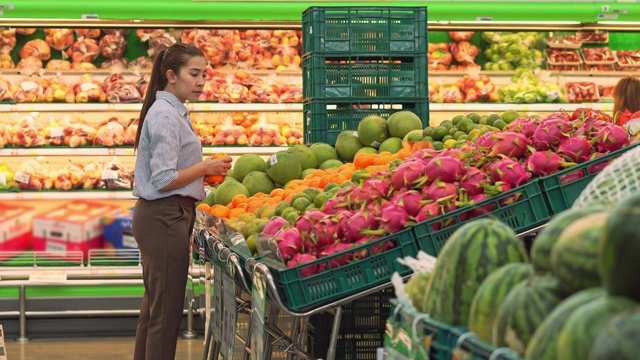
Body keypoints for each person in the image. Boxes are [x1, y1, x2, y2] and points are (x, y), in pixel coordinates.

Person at [131, 43, 232, 360]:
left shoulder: (171, 112)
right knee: (166, 311)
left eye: (204, 74)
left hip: (166, 215)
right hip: (164, 218)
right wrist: (205, 167)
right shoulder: (164, 116)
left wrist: (203, 176)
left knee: (155, 309)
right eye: (194, 74)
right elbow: (163, 178)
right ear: (171, 75)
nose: (202, 81)